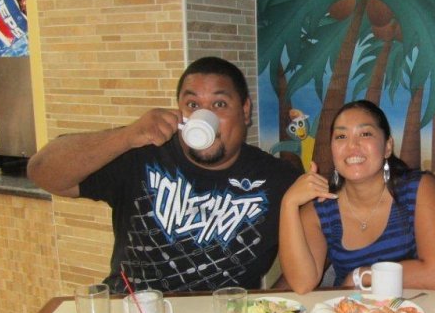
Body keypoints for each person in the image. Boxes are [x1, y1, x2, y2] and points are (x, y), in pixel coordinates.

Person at [27, 56, 300, 293]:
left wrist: (267, 310)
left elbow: (311, 260)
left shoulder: (278, 179)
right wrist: (127, 135)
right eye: (192, 105)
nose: (204, 117)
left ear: (245, 111)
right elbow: (42, 172)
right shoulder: (143, 155)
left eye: (219, 104)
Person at [279, 100, 435, 294]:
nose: (352, 145)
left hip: (413, 309)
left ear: (387, 147)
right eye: (341, 136)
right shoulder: (322, 209)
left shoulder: (418, 188)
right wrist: (289, 203)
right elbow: (302, 283)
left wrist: (361, 276)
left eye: (365, 134)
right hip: (350, 311)